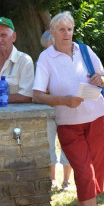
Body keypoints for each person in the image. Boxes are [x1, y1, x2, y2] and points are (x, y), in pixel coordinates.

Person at [33, 11, 104, 206]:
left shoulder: (84, 50)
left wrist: (101, 78)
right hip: (69, 125)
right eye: (61, 30)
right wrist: (63, 100)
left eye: (70, 29)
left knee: (94, 175)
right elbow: (37, 94)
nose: (67, 34)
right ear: (52, 34)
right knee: (85, 173)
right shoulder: (46, 58)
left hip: (97, 119)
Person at [39, 30, 73, 191]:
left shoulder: (70, 58)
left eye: (50, 45)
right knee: (49, 144)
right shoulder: (43, 60)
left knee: (68, 144)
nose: (48, 49)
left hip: (67, 110)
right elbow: (37, 89)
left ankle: (67, 181)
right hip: (49, 110)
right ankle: (52, 179)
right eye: (46, 47)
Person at [0, 17, 34, 104]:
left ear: (13, 37)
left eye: (4, 35)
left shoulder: (24, 60)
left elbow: (27, 95)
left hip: (13, 116)